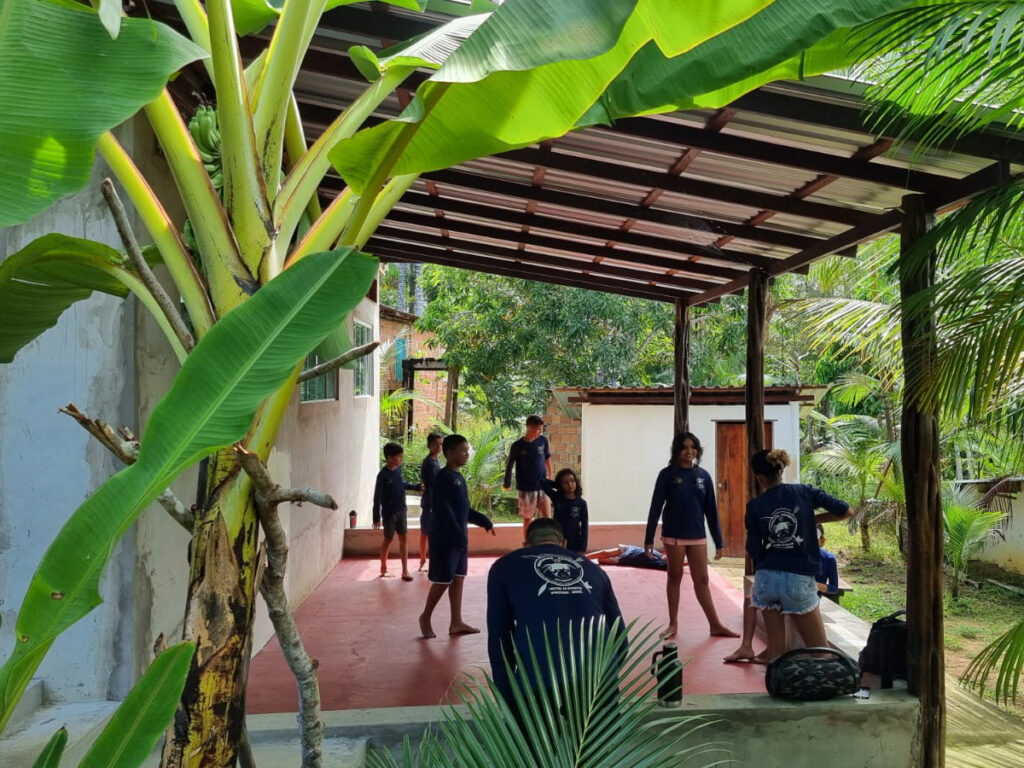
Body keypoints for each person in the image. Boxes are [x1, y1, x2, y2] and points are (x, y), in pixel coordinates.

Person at [487, 518, 624, 712]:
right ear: (564, 543)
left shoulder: (505, 567)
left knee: (534, 742)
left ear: (526, 544)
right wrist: (606, 679)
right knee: (599, 742)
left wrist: (507, 698)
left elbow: (499, 638)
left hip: (539, 683)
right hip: (598, 683)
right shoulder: (593, 569)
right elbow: (620, 638)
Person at [744, 449, 853, 661]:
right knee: (821, 653)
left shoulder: (754, 506)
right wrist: (813, 519)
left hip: (766, 579)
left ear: (758, 476)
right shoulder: (805, 492)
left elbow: (753, 550)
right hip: (798, 578)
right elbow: (846, 510)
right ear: (782, 469)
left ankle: (778, 687)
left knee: (775, 654)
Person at [644, 431, 738, 640]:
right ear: (677, 450)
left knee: (702, 579)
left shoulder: (703, 476)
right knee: (674, 576)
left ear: (697, 450)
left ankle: (715, 624)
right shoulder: (667, 474)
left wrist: (718, 541)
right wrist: (649, 538)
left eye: (693, 447)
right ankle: (673, 624)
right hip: (674, 535)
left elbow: (711, 511)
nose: (689, 451)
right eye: (684, 447)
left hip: (697, 534)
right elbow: (655, 507)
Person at [419, 433, 496, 638]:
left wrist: (484, 521)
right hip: (446, 539)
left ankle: (456, 622)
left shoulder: (459, 478)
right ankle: (425, 617)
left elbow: (464, 510)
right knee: (443, 579)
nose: (466, 454)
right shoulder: (442, 478)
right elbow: (445, 512)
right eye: (462, 450)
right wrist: (456, 535)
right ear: (449, 452)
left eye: (467, 450)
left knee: (458, 579)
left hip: (459, 538)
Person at [372, 442, 421, 581]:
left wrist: (416, 487)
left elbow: (403, 484)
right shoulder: (382, 475)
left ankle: (405, 571)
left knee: (404, 537)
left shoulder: (398, 471)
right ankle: (383, 568)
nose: (401, 459)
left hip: (401, 510)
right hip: (389, 514)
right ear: (389, 457)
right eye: (399, 457)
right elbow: (377, 498)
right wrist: (376, 517)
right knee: (388, 539)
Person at [503, 414, 553, 541]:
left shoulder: (543, 441)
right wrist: (507, 483)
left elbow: (547, 458)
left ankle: (547, 542)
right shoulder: (517, 446)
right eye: (538, 429)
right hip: (526, 487)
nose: (541, 431)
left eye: (542, 428)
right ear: (529, 428)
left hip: (543, 485)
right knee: (527, 519)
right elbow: (509, 465)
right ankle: (527, 544)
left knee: (547, 517)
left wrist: (551, 475)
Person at [541, 467, 589, 554]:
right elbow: (543, 482)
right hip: (557, 540)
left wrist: (583, 546)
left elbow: (584, 526)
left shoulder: (582, 503)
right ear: (561, 485)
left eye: (572, 481)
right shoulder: (557, 498)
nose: (570, 484)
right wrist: (556, 485)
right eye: (566, 483)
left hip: (574, 543)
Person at [418, 432, 443, 572]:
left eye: (441, 444)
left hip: (436, 502)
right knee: (425, 532)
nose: (439, 447)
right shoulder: (428, 462)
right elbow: (431, 483)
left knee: (433, 533)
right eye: (436, 444)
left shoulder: (436, 460)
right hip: (430, 503)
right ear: (429, 446)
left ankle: (432, 559)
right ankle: (423, 560)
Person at [587, 544, 668, 570]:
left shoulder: (660, 563)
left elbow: (674, 566)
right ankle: (583, 557)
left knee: (602, 560)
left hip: (625, 558)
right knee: (604, 552)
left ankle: (583, 560)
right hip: (629, 549)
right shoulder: (659, 554)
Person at [815, 523, 840, 596]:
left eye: (813, 540)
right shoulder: (794, 557)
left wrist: (814, 585)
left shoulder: (828, 559)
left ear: (822, 540)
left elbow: (834, 588)